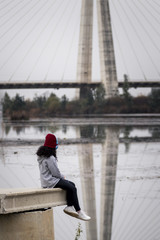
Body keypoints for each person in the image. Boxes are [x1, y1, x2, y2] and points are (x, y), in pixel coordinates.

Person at [36, 133, 91, 221]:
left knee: (71, 184)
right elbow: (56, 173)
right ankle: (79, 211)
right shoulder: (50, 158)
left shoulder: (42, 156)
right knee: (72, 188)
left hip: (45, 181)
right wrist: (63, 177)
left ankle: (70, 206)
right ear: (53, 145)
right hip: (51, 181)